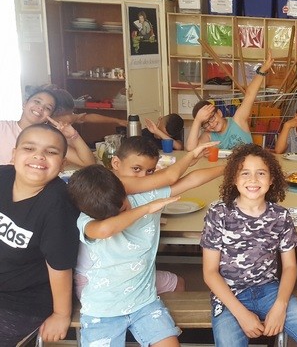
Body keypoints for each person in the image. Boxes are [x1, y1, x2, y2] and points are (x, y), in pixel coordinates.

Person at [201, 144, 297, 346]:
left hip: (269, 291)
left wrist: (280, 305)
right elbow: (210, 272)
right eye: (245, 173)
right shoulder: (218, 214)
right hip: (229, 297)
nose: (253, 180)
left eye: (261, 173)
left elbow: (290, 266)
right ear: (234, 179)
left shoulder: (280, 215)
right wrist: (241, 314)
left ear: (271, 180)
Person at [73, 136, 220, 298]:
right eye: (136, 169)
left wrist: (227, 168)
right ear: (115, 163)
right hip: (97, 281)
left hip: (128, 276)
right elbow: (171, 177)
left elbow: (191, 179)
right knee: (176, 283)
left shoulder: (145, 193)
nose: (144, 177)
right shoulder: (107, 191)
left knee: (175, 283)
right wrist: (190, 156)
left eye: (150, 171)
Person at [67, 165, 182, 346]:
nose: (124, 212)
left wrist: (228, 166)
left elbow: (189, 180)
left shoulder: (135, 199)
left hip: (144, 302)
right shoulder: (86, 221)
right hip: (102, 310)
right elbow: (106, 229)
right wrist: (147, 208)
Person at [0, 124, 80, 344]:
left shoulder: (57, 205)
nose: (39, 156)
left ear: (63, 164)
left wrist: (61, 314)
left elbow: (59, 266)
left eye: (51, 152)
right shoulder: (2, 177)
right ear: (14, 154)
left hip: (21, 300)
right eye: (29, 148)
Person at [186, 57, 273, 151]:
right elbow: (191, 149)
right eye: (205, 124)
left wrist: (262, 70)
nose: (211, 124)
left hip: (246, 164)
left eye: (211, 118)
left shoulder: (238, 120)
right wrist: (197, 121)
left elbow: (249, 95)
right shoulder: (208, 135)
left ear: (219, 113)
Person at [0, 86, 95, 167]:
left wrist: (74, 136)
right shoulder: (3, 127)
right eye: (37, 102)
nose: (41, 108)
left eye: (48, 108)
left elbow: (89, 163)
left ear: (50, 116)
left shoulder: (50, 138)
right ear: (25, 104)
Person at [51, 87, 128, 128]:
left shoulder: (67, 117)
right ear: (59, 110)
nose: (72, 114)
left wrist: (118, 121)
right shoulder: (49, 122)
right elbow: (70, 118)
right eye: (70, 112)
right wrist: (73, 117)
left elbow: (89, 117)